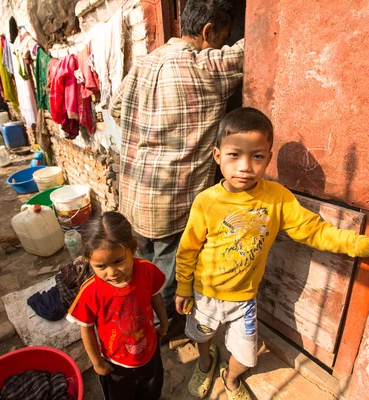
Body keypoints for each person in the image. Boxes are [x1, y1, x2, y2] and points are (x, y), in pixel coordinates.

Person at [175, 108, 369, 400]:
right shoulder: (206, 202)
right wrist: (183, 286)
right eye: (234, 155)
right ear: (217, 156)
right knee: (202, 335)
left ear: (268, 157)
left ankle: (231, 377)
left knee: (245, 353)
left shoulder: (277, 198)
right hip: (204, 293)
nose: (245, 167)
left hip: (244, 299)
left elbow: (316, 231)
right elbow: (188, 249)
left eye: (256, 157)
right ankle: (205, 362)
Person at [110, 0, 244, 321]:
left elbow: (116, 109)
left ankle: (139, 313)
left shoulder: (142, 64)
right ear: (208, 31)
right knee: (167, 275)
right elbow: (263, 42)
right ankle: (161, 325)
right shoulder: (206, 67)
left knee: (140, 266)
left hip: (133, 196)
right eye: (221, 36)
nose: (223, 43)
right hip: (172, 203)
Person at [66, 212, 169, 400]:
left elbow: (156, 298)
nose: (112, 272)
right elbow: (86, 330)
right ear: (90, 261)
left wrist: (164, 323)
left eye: (118, 261)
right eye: (101, 266)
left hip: (150, 352)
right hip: (116, 364)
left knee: (152, 391)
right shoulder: (90, 292)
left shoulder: (147, 270)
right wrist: (97, 362)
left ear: (132, 248)